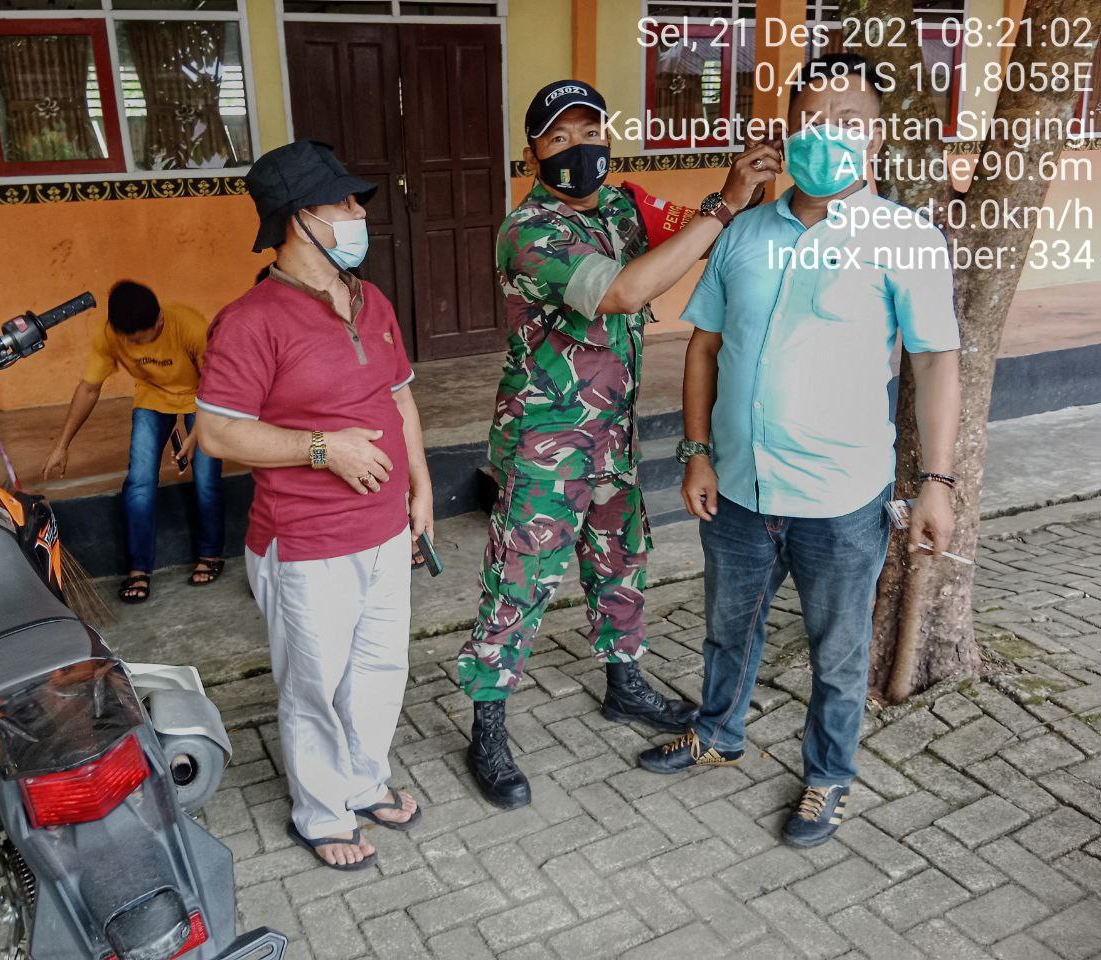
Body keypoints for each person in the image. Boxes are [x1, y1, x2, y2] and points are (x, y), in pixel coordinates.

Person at [639, 54, 962, 848]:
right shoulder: (744, 229)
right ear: (787, 132)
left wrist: (938, 483)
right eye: (813, 118)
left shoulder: (907, 238)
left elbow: (935, 362)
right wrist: (697, 450)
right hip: (740, 492)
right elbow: (706, 347)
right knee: (726, 627)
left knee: (839, 652)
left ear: (878, 137)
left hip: (842, 502)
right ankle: (717, 733)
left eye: (848, 119)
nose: (829, 134)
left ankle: (827, 776)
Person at [456, 79, 780, 809]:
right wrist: (724, 203)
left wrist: (753, 181)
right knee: (521, 581)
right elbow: (627, 292)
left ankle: (624, 682)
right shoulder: (529, 232)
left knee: (619, 561)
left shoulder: (624, 205)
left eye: (589, 130)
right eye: (558, 138)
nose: (579, 148)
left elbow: (703, 233)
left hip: (612, 438)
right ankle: (488, 720)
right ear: (533, 153)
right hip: (546, 444)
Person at [196, 139, 433, 871]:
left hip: (385, 530)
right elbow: (215, 432)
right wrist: (322, 449)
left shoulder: (371, 298)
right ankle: (320, 812)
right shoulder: (250, 320)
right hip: (304, 543)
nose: (359, 212)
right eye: (344, 202)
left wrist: (420, 487)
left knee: (379, 669)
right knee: (312, 688)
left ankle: (362, 784)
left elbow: (400, 396)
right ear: (299, 218)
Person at [42, 280, 225, 603]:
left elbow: (215, 385)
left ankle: (210, 553)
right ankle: (138, 568)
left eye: (144, 339)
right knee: (139, 482)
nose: (137, 347)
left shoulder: (190, 326)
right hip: (153, 398)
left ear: (160, 322)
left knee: (207, 478)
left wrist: (197, 435)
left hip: (202, 399)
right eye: (131, 342)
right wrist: (62, 444)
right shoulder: (110, 334)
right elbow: (89, 388)